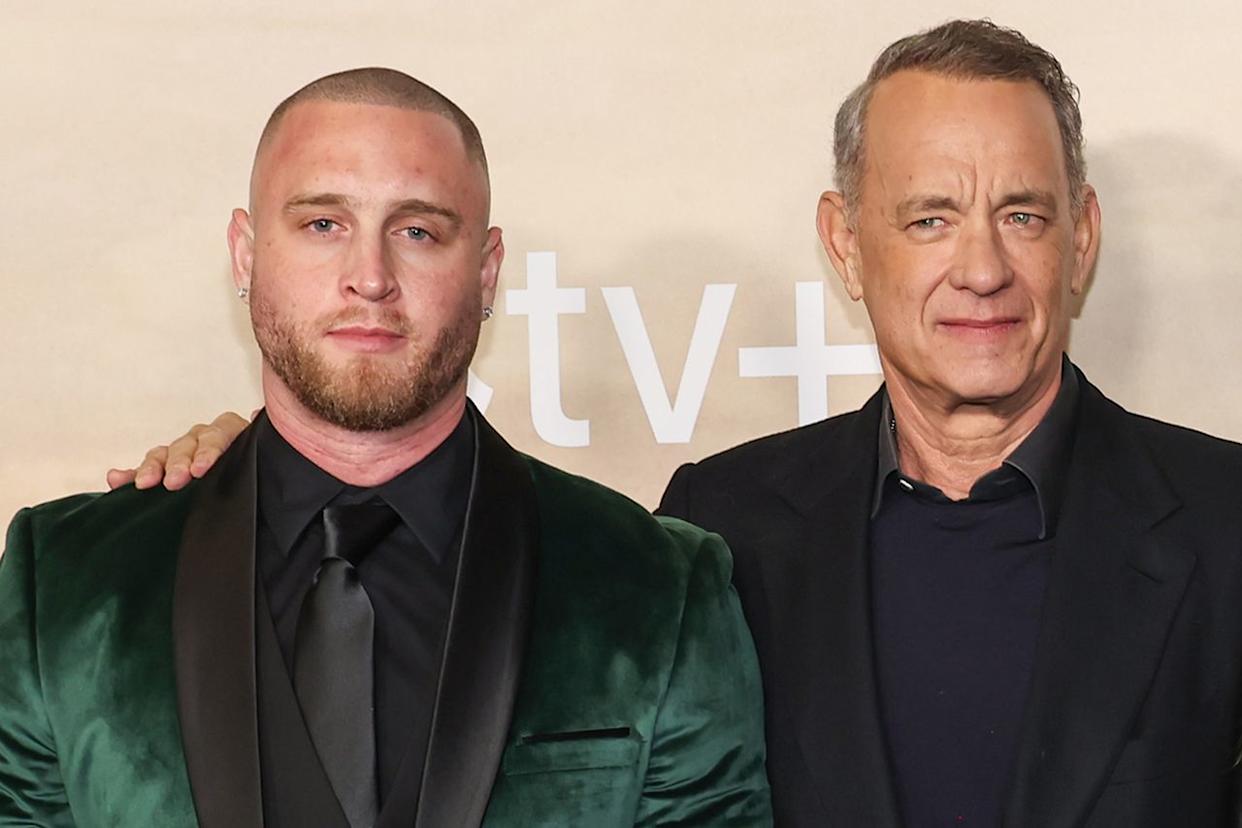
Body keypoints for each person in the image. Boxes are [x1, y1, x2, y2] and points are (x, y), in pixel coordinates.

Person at [109, 20, 1242, 827]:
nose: (981, 268)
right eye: (930, 217)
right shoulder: (720, 529)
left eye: (1024, 214)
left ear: (1081, 238)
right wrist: (254, 481)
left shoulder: (1228, 526)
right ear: (848, 245)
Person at [0, 68, 771, 826]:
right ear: (244, 253)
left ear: (487, 270)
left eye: (417, 231)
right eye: (322, 224)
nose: (369, 278)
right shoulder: (67, 580)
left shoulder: (659, 585)